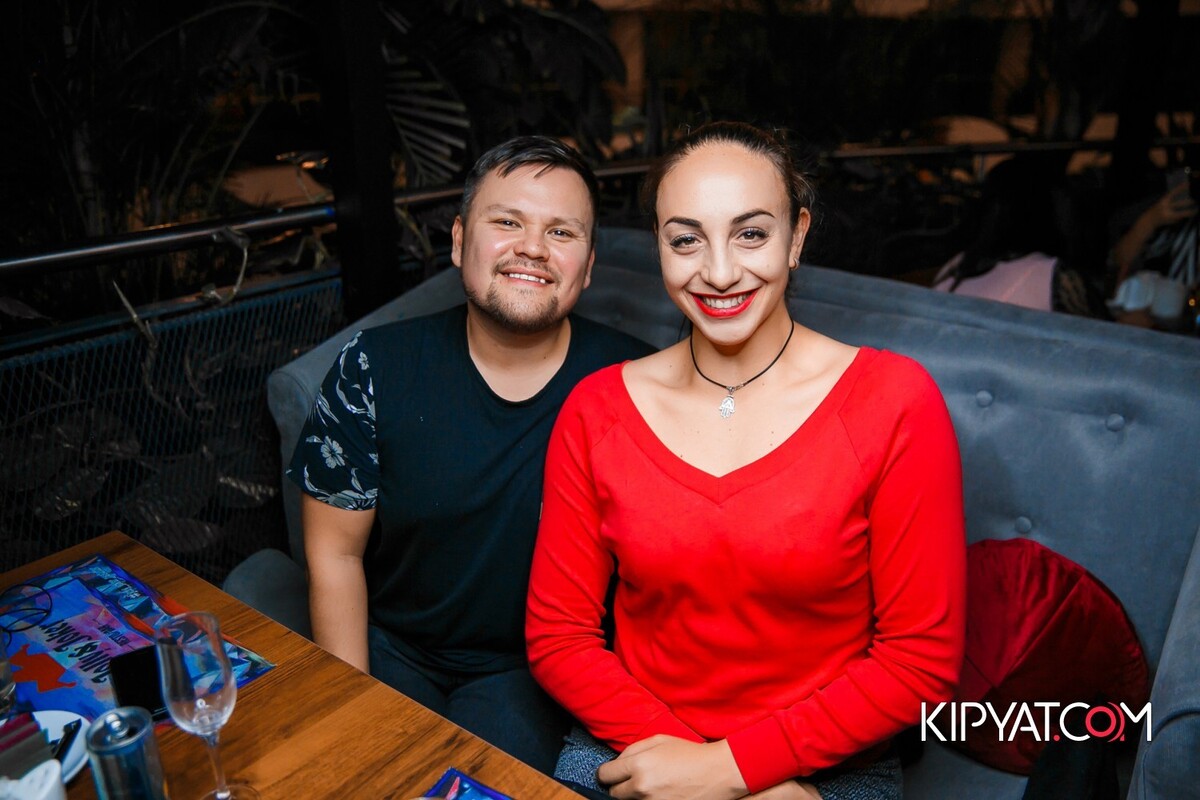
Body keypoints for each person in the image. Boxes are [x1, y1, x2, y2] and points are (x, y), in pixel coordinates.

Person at [526, 122, 966, 800]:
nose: (721, 272)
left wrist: (735, 771)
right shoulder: (598, 409)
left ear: (797, 236)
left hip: (827, 763)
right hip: (636, 737)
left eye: (751, 234)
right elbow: (559, 635)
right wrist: (696, 769)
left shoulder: (894, 401)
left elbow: (920, 660)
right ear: (658, 246)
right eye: (686, 240)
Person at [288, 136, 653, 773]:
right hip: (392, 643)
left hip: (536, 669)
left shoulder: (638, 384)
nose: (533, 248)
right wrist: (351, 708)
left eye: (561, 232)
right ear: (459, 241)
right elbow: (335, 554)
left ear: (588, 265)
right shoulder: (372, 367)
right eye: (507, 222)